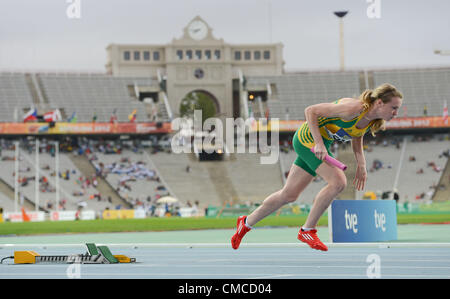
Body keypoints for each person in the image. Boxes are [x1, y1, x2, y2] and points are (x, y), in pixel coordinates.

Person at [231, 83, 403, 251]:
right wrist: (319, 143)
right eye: (393, 108)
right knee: (338, 182)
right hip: (307, 139)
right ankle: (307, 230)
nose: (396, 113)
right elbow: (310, 111)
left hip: (321, 144)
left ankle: (245, 224)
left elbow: (357, 136)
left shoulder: (372, 121)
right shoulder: (353, 108)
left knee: (288, 195)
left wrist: (362, 164)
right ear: (379, 102)